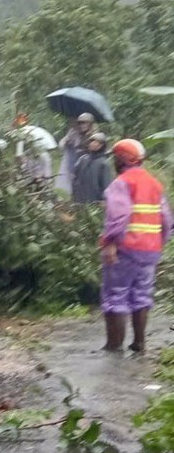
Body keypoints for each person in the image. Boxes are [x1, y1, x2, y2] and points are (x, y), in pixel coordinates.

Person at [99, 138, 173, 353]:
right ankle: (139, 342)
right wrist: (159, 241)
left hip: (125, 249)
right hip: (150, 250)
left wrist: (110, 242)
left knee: (116, 295)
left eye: (115, 157)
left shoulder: (121, 183)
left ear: (121, 159)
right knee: (141, 295)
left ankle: (114, 346)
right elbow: (166, 218)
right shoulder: (154, 183)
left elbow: (118, 215)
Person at [57, 111, 96, 194]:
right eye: (80, 123)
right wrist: (66, 140)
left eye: (84, 123)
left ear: (90, 124)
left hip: (89, 165)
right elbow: (61, 145)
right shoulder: (74, 133)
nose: (82, 125)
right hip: (75, 164)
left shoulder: (95, 135)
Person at [71, 132, 112, 204]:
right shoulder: (83, 159)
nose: (92, 143)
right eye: (91, 141)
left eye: (96, 142)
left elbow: (106, 186)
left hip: (95, 202)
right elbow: (75, 176)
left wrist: (103, 200)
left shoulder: (103, 163)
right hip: (79, 200)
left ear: (101, 145)